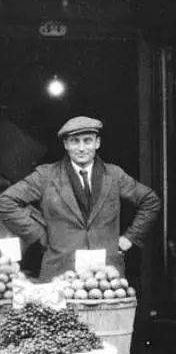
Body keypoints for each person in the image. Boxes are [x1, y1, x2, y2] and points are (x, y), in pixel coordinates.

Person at [0, 116, 161, 281]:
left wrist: (130, 237)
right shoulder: (46, 176)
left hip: (106, 275)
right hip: (60, 272)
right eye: (75, 141)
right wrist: (39, 235)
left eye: (87, 141)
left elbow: (150, 201)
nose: (82, 148)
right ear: (66, 145)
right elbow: (6, 201)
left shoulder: (114, 175)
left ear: (97, 143)